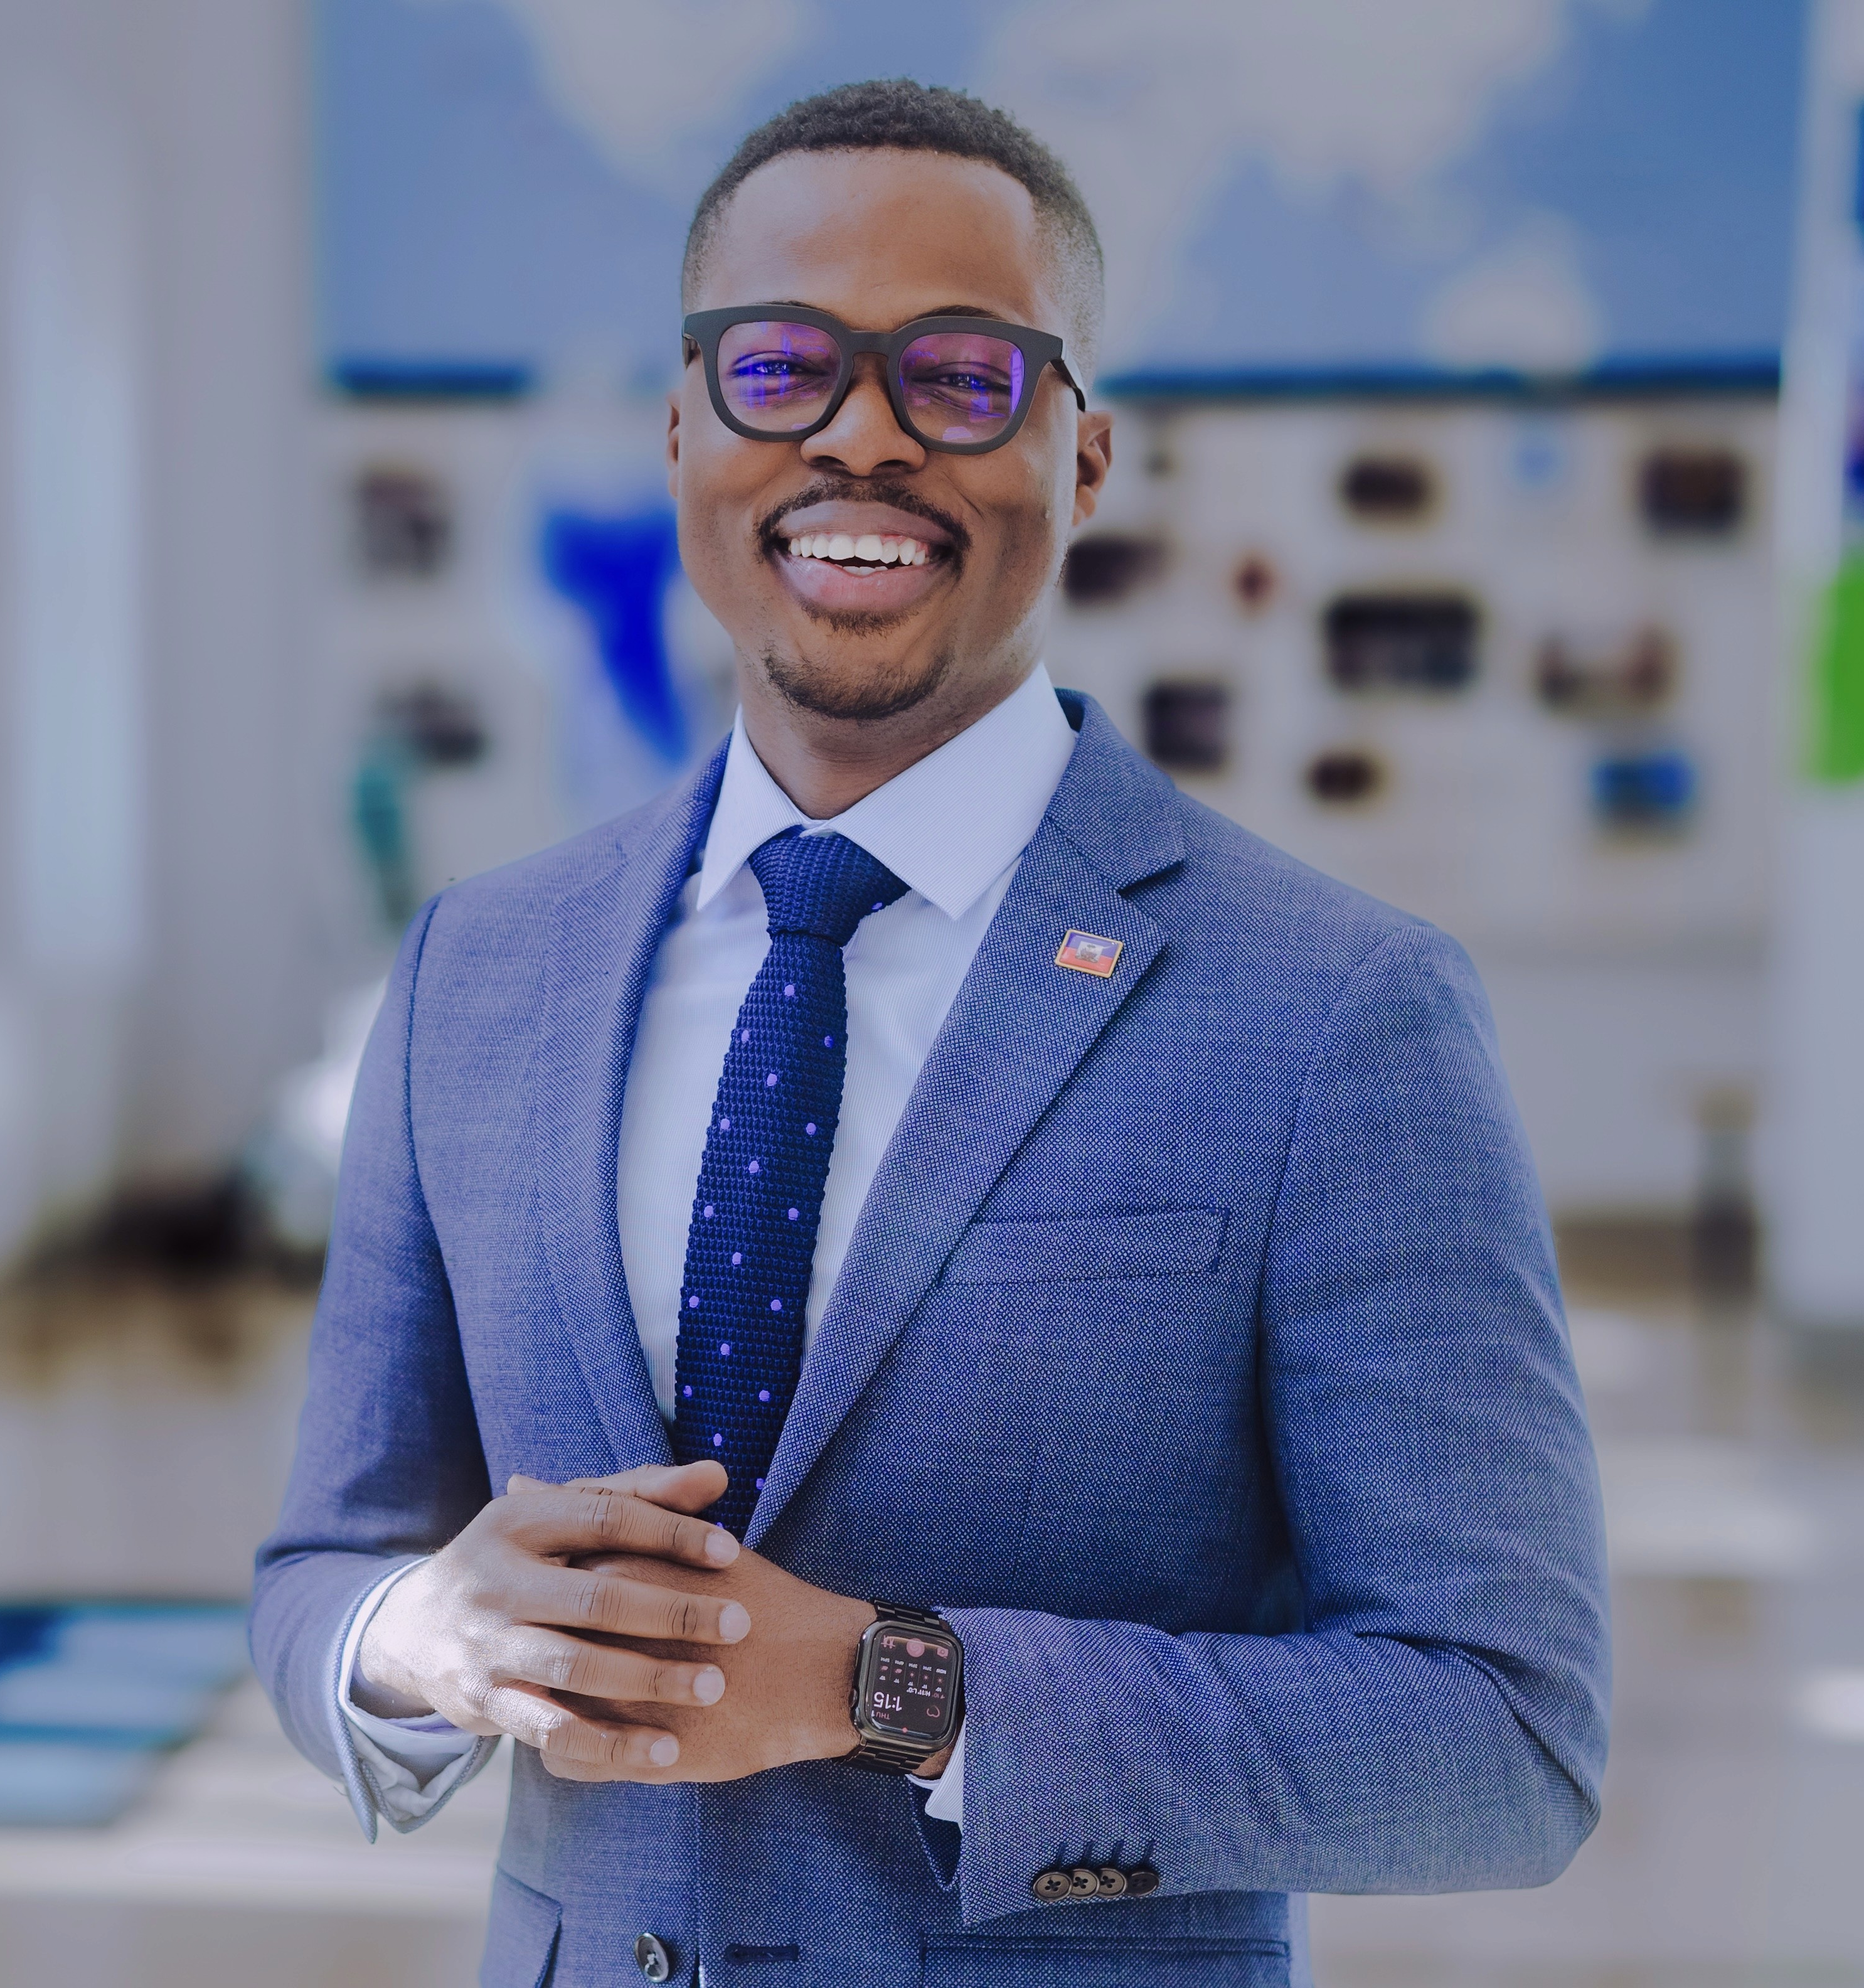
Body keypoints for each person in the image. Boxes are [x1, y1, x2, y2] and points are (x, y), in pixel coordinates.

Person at [253, 78, 1609, 1988]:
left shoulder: (1337, 1015)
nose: (861, 437)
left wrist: (902, 1688)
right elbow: (320, 1571)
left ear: (1086, 455)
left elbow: (1507, 1737)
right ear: (679, 430)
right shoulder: (481, 967)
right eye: (782, 364)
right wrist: (414, 1637)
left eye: (960, 378)